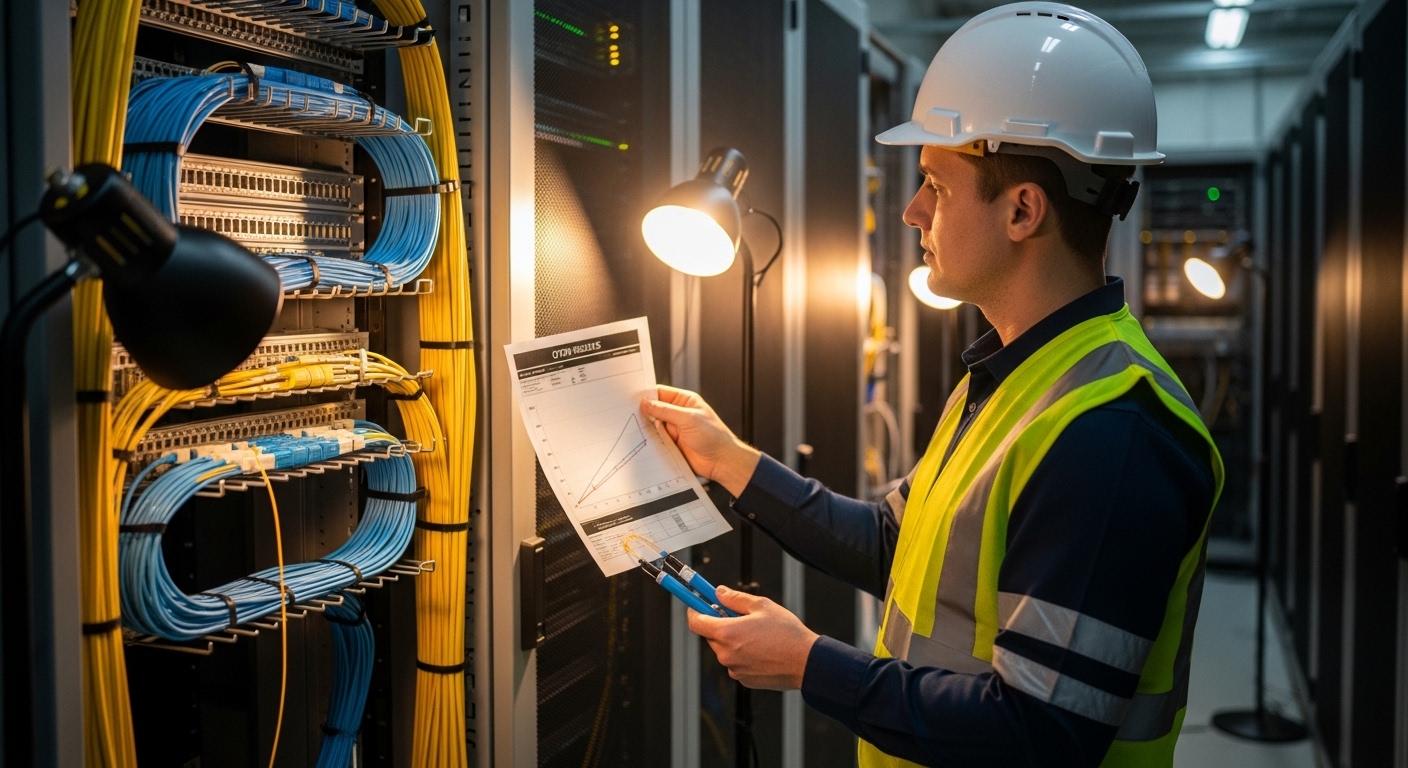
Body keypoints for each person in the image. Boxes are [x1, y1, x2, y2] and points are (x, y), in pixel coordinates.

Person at [639, 3, 1225, 766]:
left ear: (1022, 210)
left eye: (935, 187)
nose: (912, 212)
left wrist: (810, 663)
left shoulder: (1111, 434)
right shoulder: (1013, 374)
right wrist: (728, 460)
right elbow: (895, 543)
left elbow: (1040, 733)